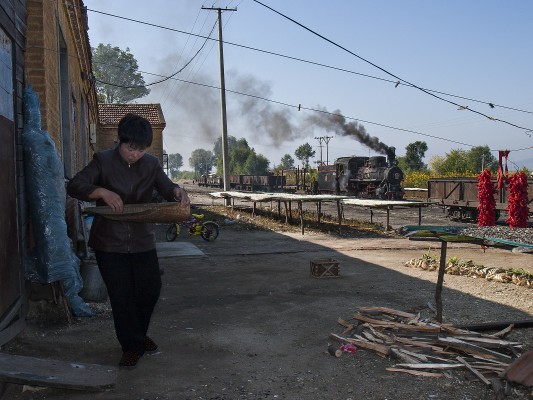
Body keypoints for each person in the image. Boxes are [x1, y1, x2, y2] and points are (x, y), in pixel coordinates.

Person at [67, 113, 190, 368]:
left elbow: (167, 187)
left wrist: (177, 191)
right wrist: (100, 191)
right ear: (119, 141)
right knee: (121, 296)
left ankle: (138, 335)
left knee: (150, 290)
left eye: (141, 150)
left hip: (142, 240)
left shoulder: (152, 165)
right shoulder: (103, 160)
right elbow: (75, 185)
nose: (135, 154)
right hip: (108, 243)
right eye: (130, 148)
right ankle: (131, 347)